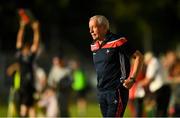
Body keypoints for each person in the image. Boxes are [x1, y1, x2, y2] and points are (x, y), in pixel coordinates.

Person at [89, 15, 144, 117]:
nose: (91, 31)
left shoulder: (118, 41)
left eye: (94, 27)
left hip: (116, 91)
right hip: (101, 92)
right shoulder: (93, 46)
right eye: (89, 28)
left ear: (104, 27)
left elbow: (139, 57)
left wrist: (132, 79)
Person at [16, 19, 40, 117]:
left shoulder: (30, 56)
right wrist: (22, 27)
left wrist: (36, 30)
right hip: (23, 85)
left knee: (31, 108)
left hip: (30, 85)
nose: (26, 49)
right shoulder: (20, 55)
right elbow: (19, 40)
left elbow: (36, 43)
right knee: (24, 108)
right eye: (25, 47)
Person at [139, 52, 171, 116]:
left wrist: (138, 84)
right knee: (163, 110)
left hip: (160, 89)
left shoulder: (152, 63)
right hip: (166, 87)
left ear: (147, 60)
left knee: (159, 111)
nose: (145, 64)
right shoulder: (158, 61)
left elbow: (149, 79)